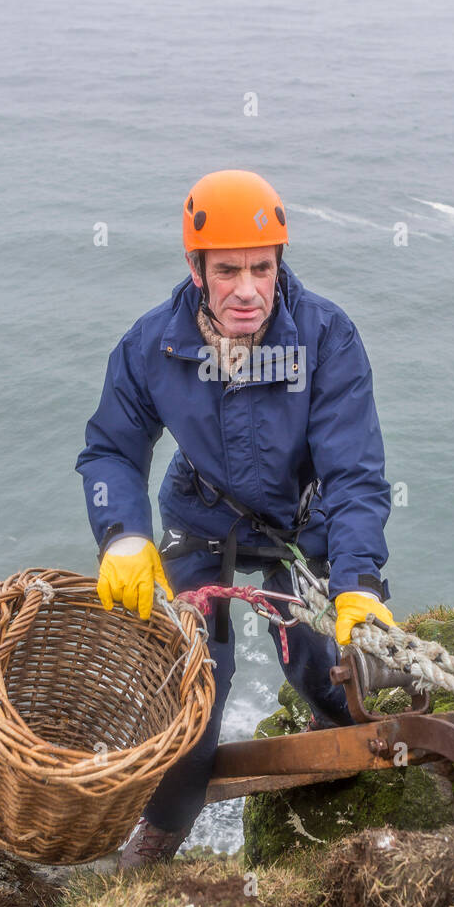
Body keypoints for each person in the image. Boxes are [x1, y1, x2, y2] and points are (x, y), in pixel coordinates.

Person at [75, 169, 394, 867]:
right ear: (196, 270)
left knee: (329, 664)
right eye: (227, 271)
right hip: (203, 518)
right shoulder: (153, 345)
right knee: (194, 687)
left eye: (262, 267)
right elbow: (110, 449)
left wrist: (360, 580)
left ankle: (340, 746)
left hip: (298, 525)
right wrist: (122, 536)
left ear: (280, 263)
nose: (247, 289)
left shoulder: (326, 337)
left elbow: (355, 475)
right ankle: (162, 831)